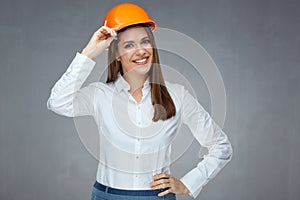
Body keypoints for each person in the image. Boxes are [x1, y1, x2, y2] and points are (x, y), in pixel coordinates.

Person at [47, 3, 233, 200]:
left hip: (157, 197)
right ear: (116, 54)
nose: (140, 51)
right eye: (129, 45)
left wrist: (189, 183)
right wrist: (88, 52)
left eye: (145, 41)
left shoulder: (178, 95)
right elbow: (57, 102)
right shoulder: (99, 94)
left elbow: (221, 146)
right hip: (107, 196)